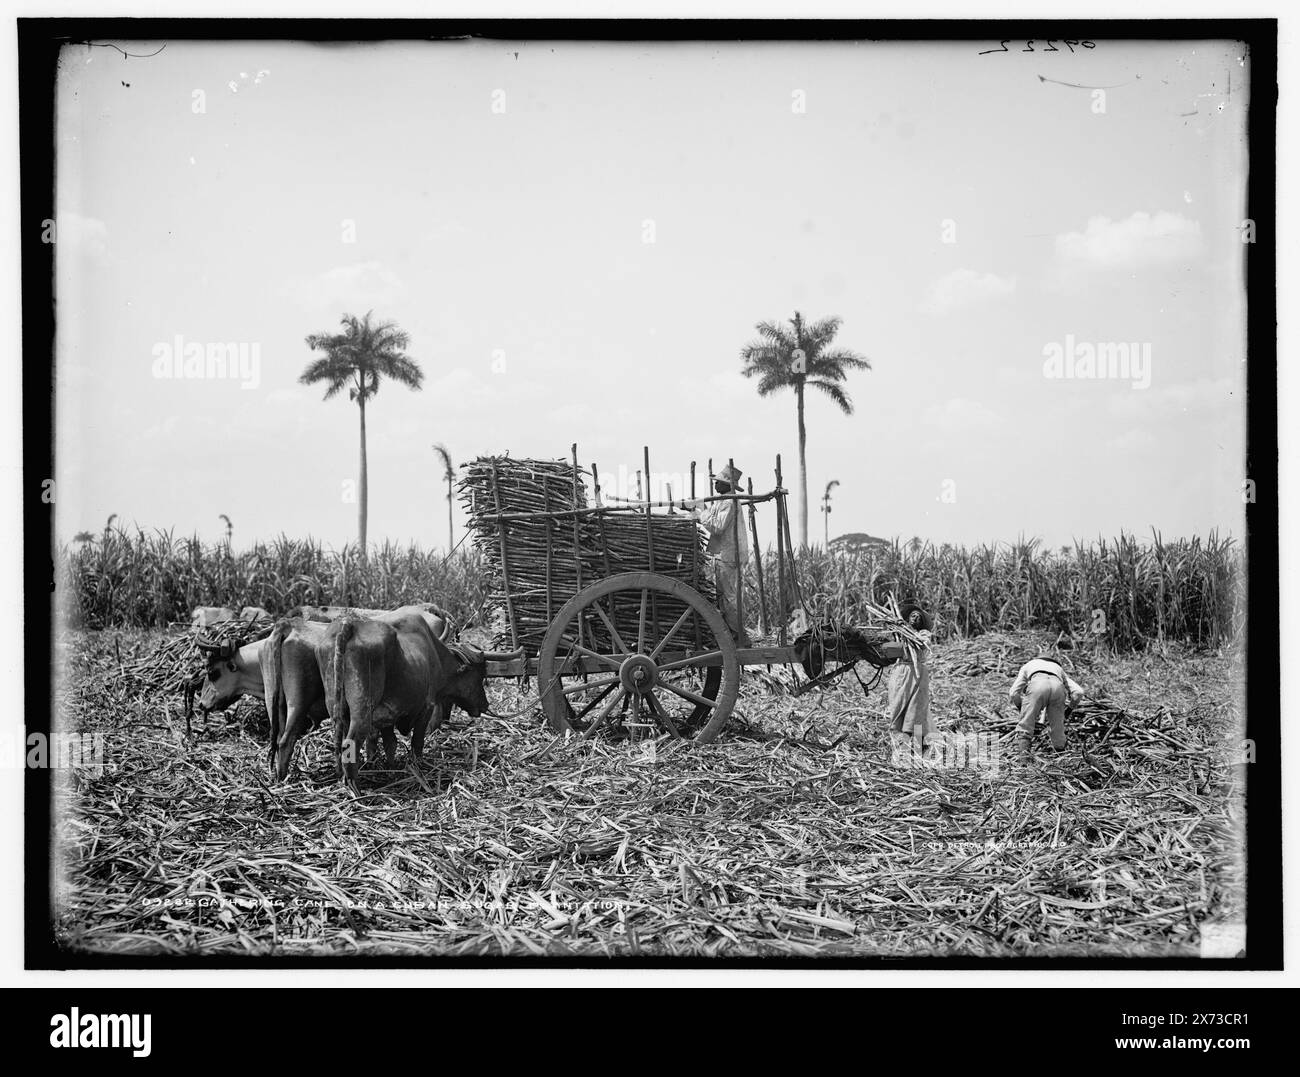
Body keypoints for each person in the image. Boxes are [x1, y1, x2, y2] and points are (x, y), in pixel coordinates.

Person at [688, 462, 750, 646]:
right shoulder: (724, 501)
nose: (716, 485)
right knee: (725, 596)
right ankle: (732, 634)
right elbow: (712, 519)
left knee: (728, 597)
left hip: (728, 555)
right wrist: (699, 511)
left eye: (719, 482)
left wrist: (699, 512)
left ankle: (738, 636)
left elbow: (717, 526)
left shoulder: (729, 501)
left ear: (728, 485)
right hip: (725, 554)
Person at [1008, 654, 1086, 756]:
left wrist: (1022, 709)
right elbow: (1079, 692)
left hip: (1037, 684)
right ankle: (1061, 760)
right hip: (1058, 687)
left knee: (1025, 726)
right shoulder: (1058, 669)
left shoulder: (1028, 665)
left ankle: (1024, 762)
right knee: (1058, 729)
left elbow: (1013, 693)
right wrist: (1068, 711)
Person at [887, 599, 934, 760]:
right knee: (897, 707)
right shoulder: (897, 632)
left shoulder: (924, 635)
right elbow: (889, 646)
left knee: (916, 711)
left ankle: (919, 749)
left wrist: (906, 633)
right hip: (900, 672)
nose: (915, 618)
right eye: (912, 616)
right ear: (907, 619)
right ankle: (899, 748)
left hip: (917, 673)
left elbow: (921, 644)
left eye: (918, 617)